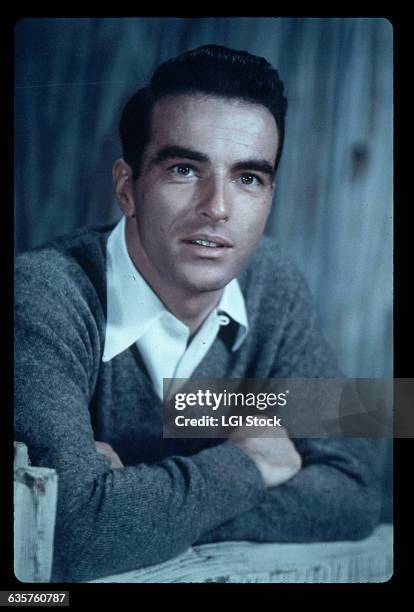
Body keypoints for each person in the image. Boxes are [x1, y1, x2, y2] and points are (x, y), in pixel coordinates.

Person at [14, 45, 385, 583]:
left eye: (248, 178)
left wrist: (129, 502)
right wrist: (250, 463)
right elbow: (66, 533)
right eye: (185, 169)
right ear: (127, 188)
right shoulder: (43, 294)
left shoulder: (273, 282)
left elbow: (355, 493)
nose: (217, 207)